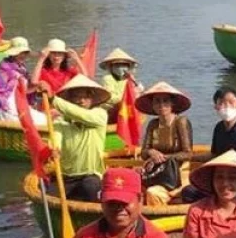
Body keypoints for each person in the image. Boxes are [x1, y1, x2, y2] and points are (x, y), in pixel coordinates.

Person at [49, 74, 111, 202]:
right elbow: (56, 139)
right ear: (70, 100)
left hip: (91, 175)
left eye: (85, 97)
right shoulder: (60, 121)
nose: (81, 101)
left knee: (91, 187)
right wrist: (54, 148)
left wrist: (53, 100)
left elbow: (81, 115)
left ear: (92, 99)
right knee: (47, 194)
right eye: (77, 97)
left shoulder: (100, 115)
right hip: (66, 176)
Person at [136, 82, 194, 206]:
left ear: (172, 103)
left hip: (176, 175)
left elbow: (188, 154)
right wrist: (151, 152)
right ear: (153, 105)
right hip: (155, 173)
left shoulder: (181, 122)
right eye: (157, 101)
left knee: (152, 192)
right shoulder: (153, 124)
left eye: (165, 101)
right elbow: (144, 152)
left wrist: (163, 158)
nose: (161, 105)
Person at [74, 168, 167, 238]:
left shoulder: (155, 236)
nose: (118, 208)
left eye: (125, 202)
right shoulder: (85, 235)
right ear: (101, 201)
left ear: (140, 200)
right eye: (112, 202)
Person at [0, 37, 47, 125]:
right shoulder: (3, 69)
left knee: (44, 120)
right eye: (20, 53)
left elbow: (24, 91)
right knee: (29, 123)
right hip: (6, 109)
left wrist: (36, 87)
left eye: (25, 53)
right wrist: (6, 107)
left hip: (21, 107)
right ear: (13, 54)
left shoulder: (22, 69)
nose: (23, 55)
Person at [98, 48, 146, 116]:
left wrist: (139, 91)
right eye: (117, 65)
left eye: (124, 65)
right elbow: (109, 97)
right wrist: (131, 94)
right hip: (112, 111)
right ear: (111, 67)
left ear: (128, 67)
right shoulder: (107, 79)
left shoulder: (129, 79)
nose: (121, 67)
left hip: (127, 109)